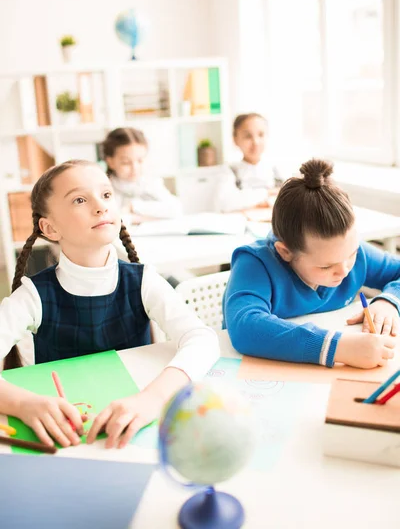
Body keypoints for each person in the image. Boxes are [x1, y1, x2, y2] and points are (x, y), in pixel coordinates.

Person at [0, 160, 219, 449]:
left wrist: (152, 399)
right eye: (80, 199)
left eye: (106, 195)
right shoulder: (33, 295)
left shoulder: (143, 280)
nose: (100, 206)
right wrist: (25, 404)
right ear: (49, 228)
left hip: (134, 431)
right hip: (67, 440)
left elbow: (203, 340)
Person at [224, 158, 400, 369]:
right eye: (326, 266)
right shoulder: (255, 264)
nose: (344, 271)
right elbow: (245, 328)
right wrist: (338, 347)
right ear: (285, 252)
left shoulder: (350, 254)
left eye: (351, 254)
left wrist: (388, 301)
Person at [102, 127, 182, 222]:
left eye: (140, 161)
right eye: (126, 162)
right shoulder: (104, 188)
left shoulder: (149, 181)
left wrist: (133, 207)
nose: (135, 168)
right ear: (110, 162)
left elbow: (176, 209)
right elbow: (111, 219)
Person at [215, 113, 280, 214]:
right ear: (235, 139)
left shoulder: (276, 171)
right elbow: (225, 203)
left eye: (261, 135)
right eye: (248, 136)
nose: (256, 142)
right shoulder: (230, 171)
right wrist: (267, 193)